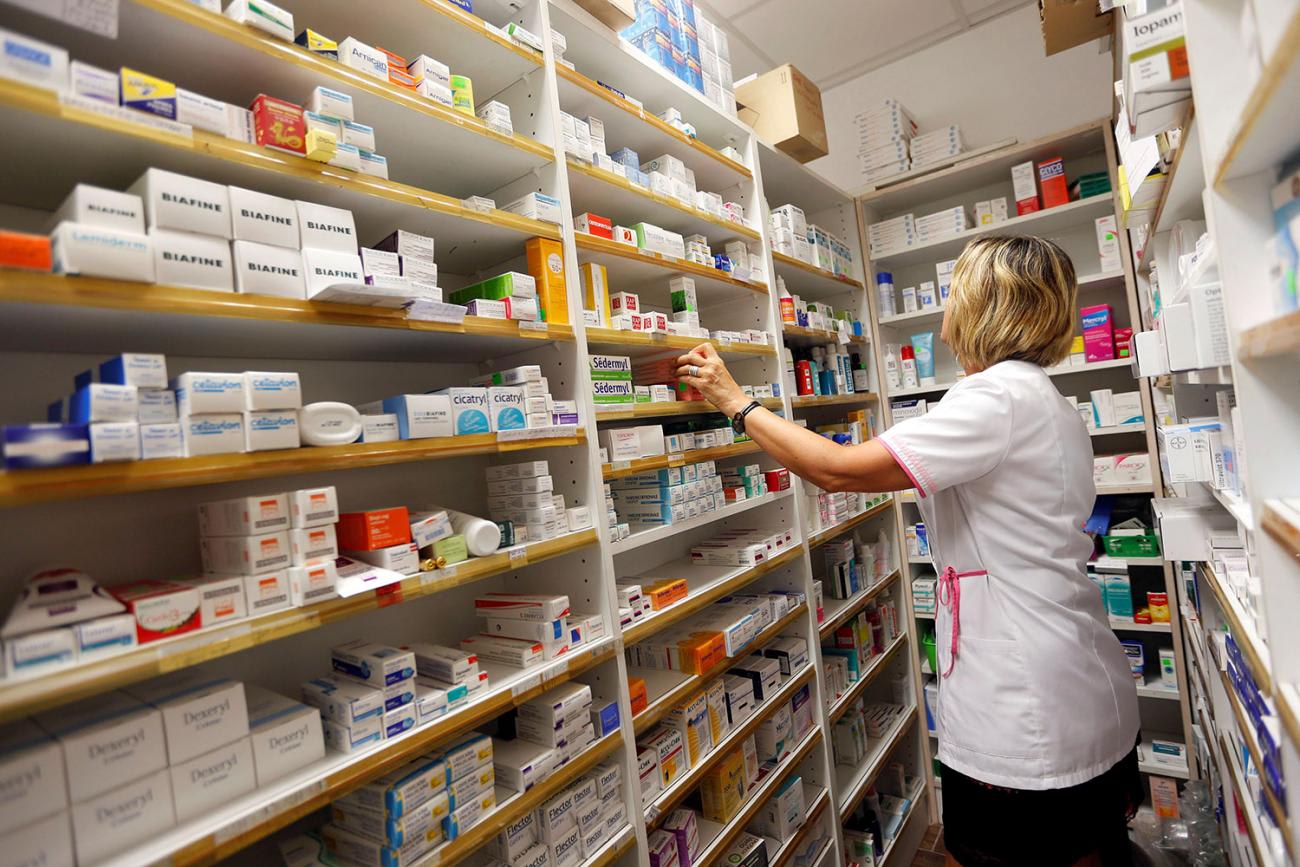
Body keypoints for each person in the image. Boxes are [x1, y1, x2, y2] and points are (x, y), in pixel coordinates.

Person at [676, 236, 1141, 867]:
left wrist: (736, 402)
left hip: (1029, 704)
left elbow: (838, 469)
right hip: (1078, 676)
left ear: (985, 307)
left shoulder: (995, 398)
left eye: (956, 296)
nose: (947, 316)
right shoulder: (1045, 401)